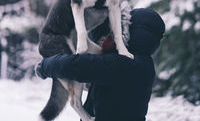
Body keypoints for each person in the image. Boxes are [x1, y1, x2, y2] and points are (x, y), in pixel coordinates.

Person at [35, 8, 165, 121]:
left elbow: (79, 66)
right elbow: (99, 45)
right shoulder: (142, 64)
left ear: (131, 31)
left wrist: (46, 66)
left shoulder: (126, 63)